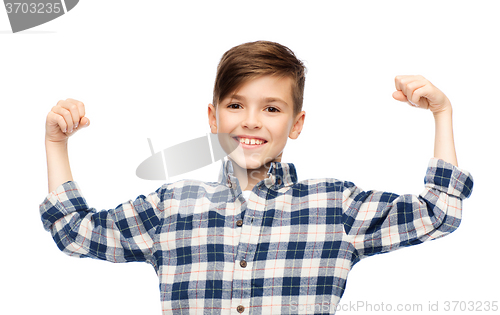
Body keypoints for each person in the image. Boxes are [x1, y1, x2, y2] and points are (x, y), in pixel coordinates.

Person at [40, 40, 473, 314]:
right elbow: (78, 233)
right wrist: (56, 144)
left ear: (296, 123)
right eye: (235, 105)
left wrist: (441, 113)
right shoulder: (172, 206)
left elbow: (437, 213)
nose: (250, 122)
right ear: (213, 117)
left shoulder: (335, 207)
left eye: (271, 108)